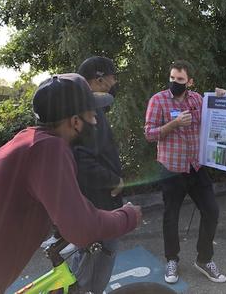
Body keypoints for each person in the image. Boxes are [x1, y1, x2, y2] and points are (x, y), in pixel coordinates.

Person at [0, 73, 142, 293]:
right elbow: (82, 228)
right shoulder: (49, 149)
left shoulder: (27, 139)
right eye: (92, 114)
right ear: (75, 121)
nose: (96, 120)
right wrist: (129, 216)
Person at [144, 60, 226, 284]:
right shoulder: (158, 100)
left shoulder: (198, 99)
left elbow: (214, 121)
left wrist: (221, 99)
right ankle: (172, 260)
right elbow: (149, 134)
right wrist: (173, 124)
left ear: (190, 81)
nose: (175, 83)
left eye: (180, 80)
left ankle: (204, 259)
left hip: (196, 167)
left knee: (212, 211)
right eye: (172, 78)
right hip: (171, 169)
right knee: (171, 217)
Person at [69, 56, 126, 293]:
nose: (115, 82)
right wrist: (113, 180)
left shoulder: (90, 107)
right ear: (100, 79)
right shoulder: (85, 111)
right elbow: (82, 160)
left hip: (97, 200)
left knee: (85, 254)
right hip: (99, 201)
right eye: (113, 77)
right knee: (98, 254)